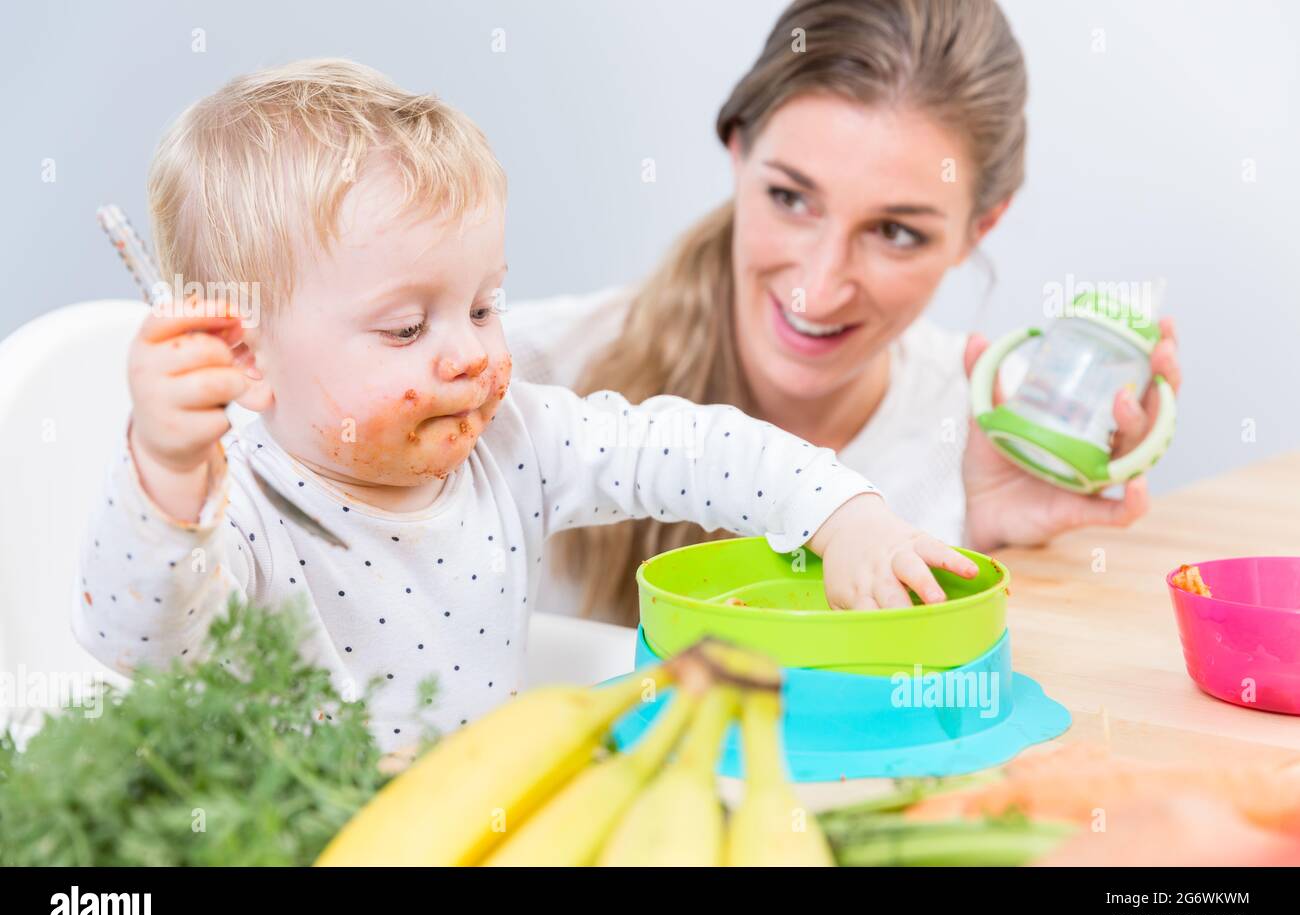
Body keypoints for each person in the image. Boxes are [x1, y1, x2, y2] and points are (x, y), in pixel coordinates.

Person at [71, 58, 976, 742]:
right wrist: (166, 473)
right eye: (404, 330)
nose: (469, 353)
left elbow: (693, 450)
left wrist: (842, 515)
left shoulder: (513, 441)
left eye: (481, 305)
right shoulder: (242, 511)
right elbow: (138, 641)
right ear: (246, 358)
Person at [507, 0, 1181, 624]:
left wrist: (993, 549)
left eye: (895, 232)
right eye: (791, 199)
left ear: (980, 228)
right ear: (739, 150)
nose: (820, 288)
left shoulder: (986, 442)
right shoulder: (517, 380)